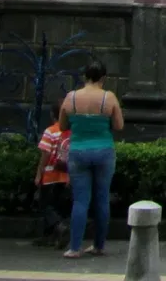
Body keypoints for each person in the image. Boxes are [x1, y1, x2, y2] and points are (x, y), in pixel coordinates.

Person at [59, 60, 124, 259]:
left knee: (80, 200)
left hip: (78, 151)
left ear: (85, 76)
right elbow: (119, 125)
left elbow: (62, 126)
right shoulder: (109, 97)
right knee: (102, 198)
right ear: (103, 78)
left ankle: (75, 247)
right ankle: (98, 245)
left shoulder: (71, 98)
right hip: (104, 150)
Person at [34, 104, 71, 247]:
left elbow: (45, 153)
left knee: (45, 205)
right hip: (64, 175)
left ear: (52, 115)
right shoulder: (70, 132)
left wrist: (39, 173)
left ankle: (59, 226)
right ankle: (50, 236)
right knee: (56, 205)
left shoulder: (50, 131)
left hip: (50, 175)